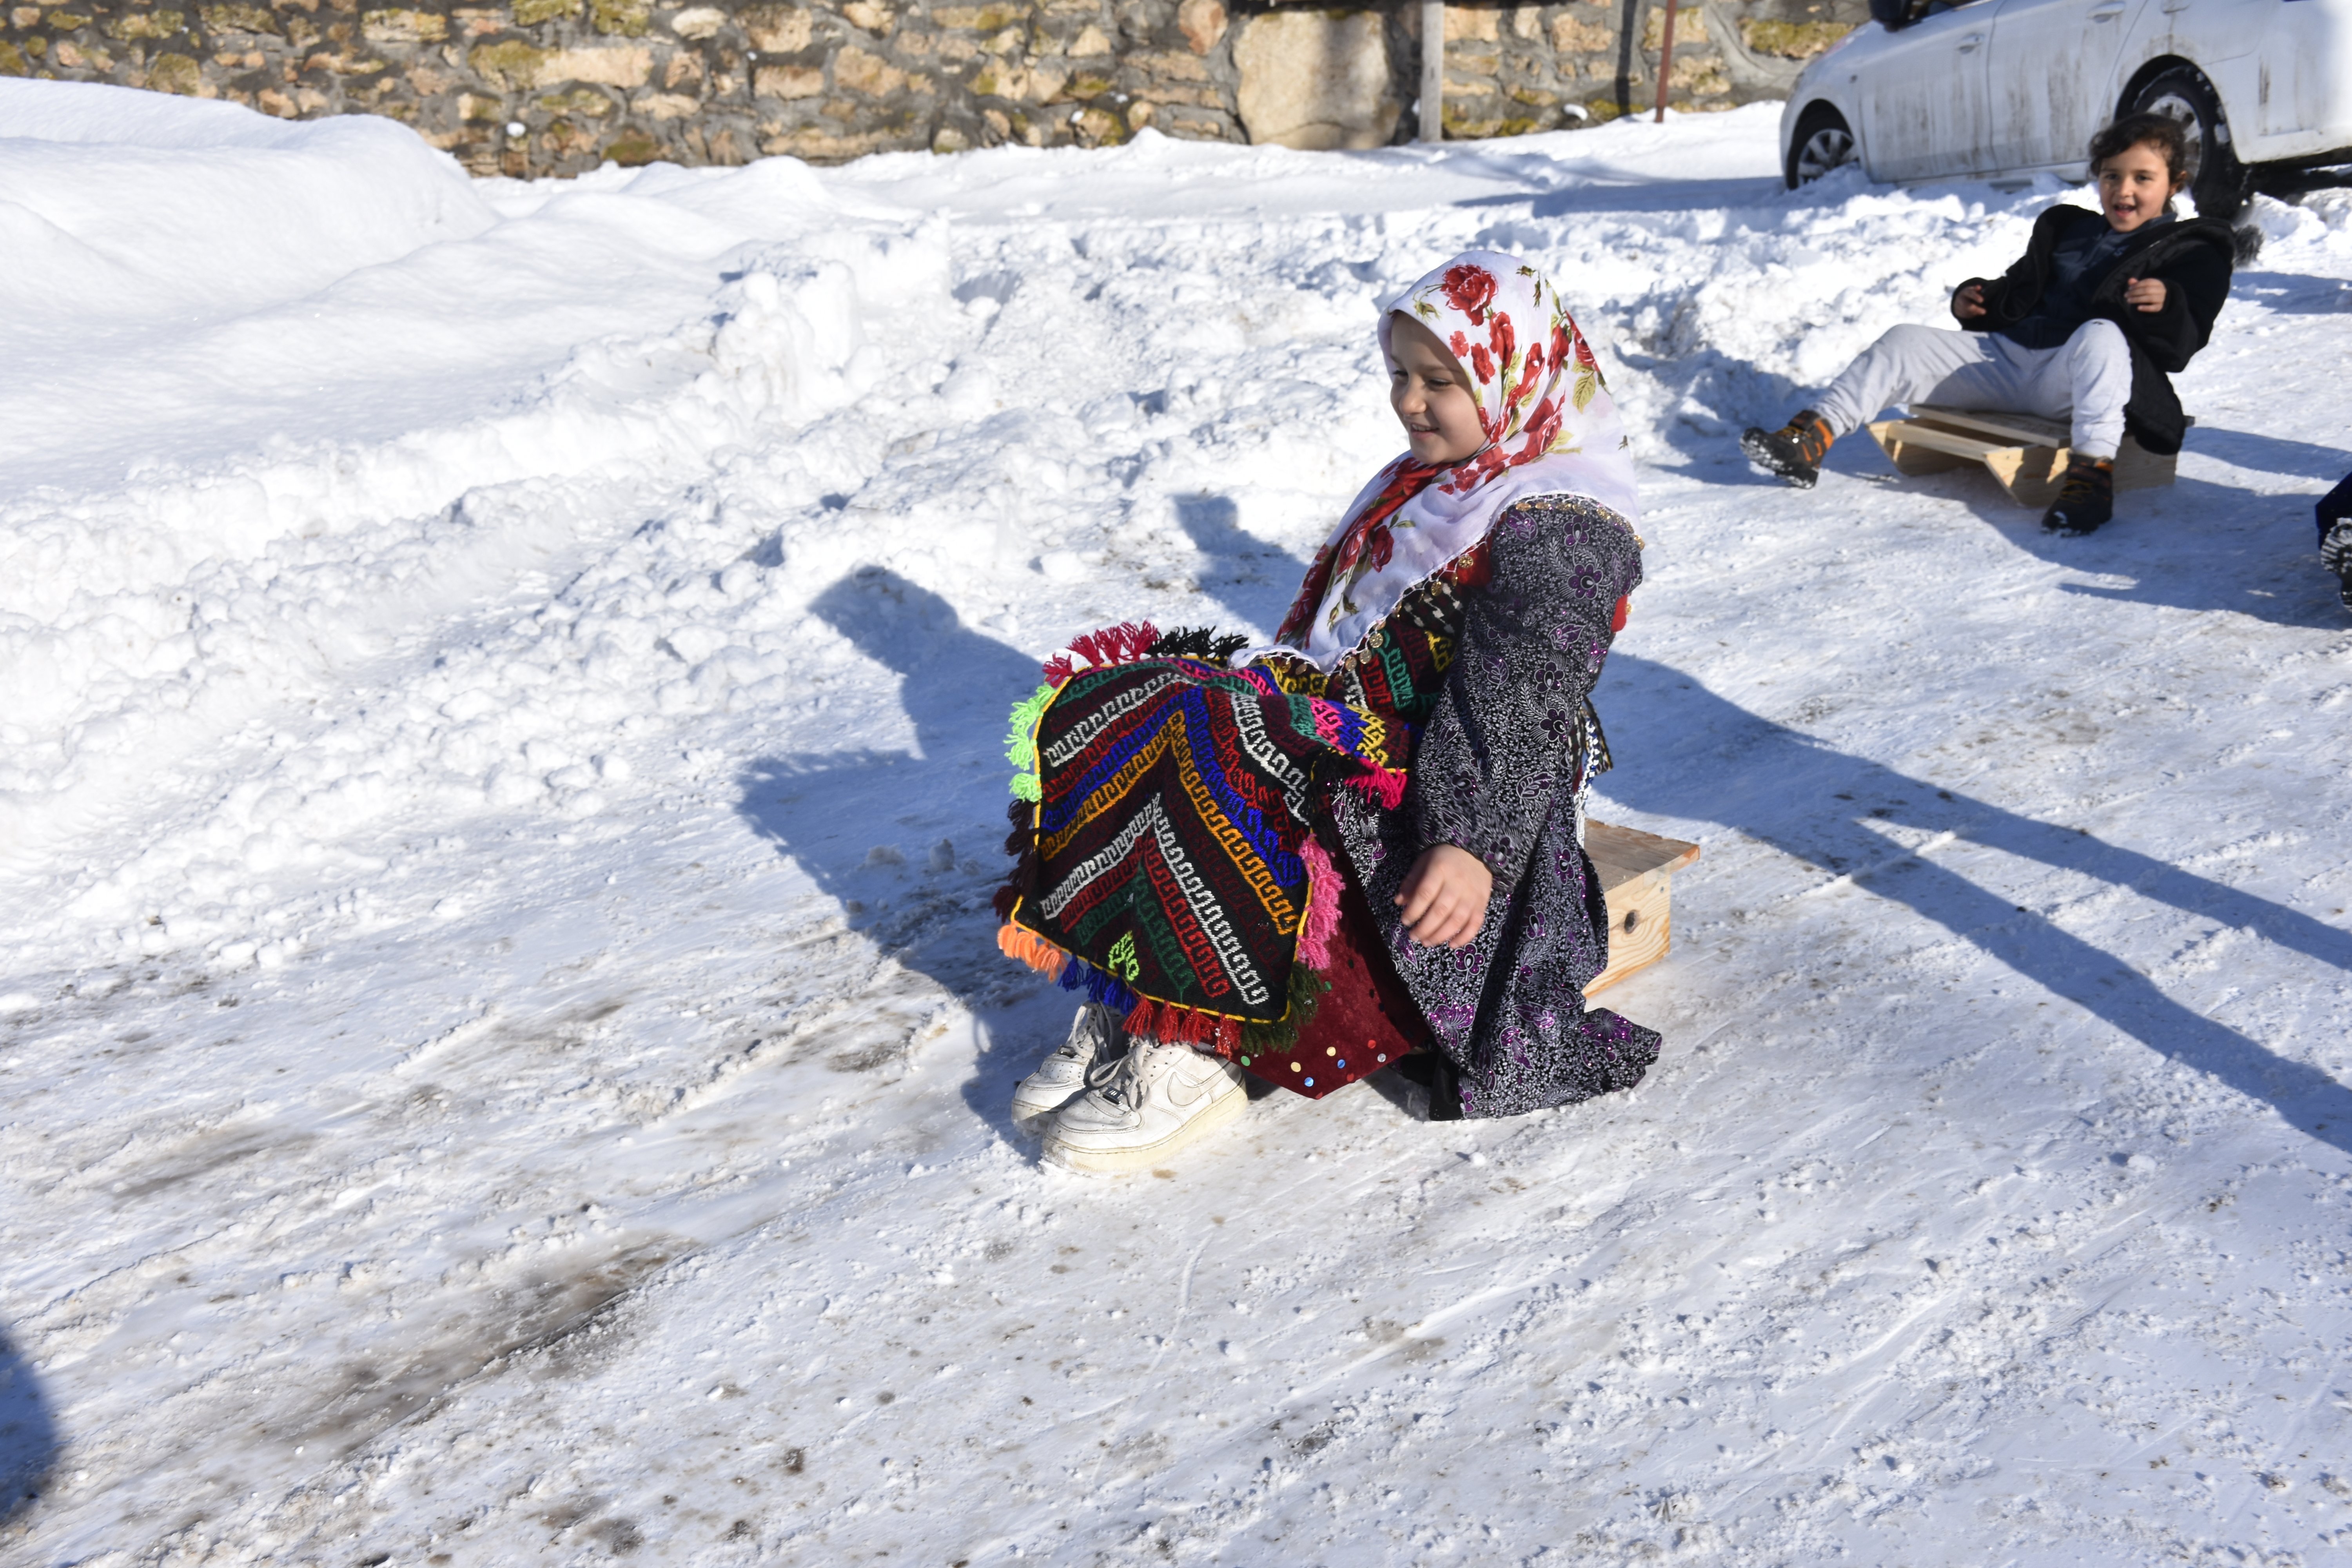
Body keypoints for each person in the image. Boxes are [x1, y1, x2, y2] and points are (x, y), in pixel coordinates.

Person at [992, 252, 1660, 1173]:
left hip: (1457, 786)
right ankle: (1139, 993)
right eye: (1399, 373)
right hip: (1365, 727)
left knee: (1231, 749)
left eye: (1440, 380)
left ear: (1514, 374)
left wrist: (1469, 844)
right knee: (1141, 701)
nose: (1409, 401)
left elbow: (1521, 698)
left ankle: (1207, 1036)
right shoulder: (1435, 478)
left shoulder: (1563, 523)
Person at [1742, 112, 2236, 535]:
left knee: (2103, 335)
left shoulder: (2189, 252)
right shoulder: (2070, 231)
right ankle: (1809, 439)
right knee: (1904, 341)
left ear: (2175, 183)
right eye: (2111, 176)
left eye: (2143, 178)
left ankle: (2091, 480)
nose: (2123, 190)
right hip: (2010, 363)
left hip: (2073, 382)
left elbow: (2183, 342)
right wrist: (1977, 302)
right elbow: (2016, 294)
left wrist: (2168, 304)